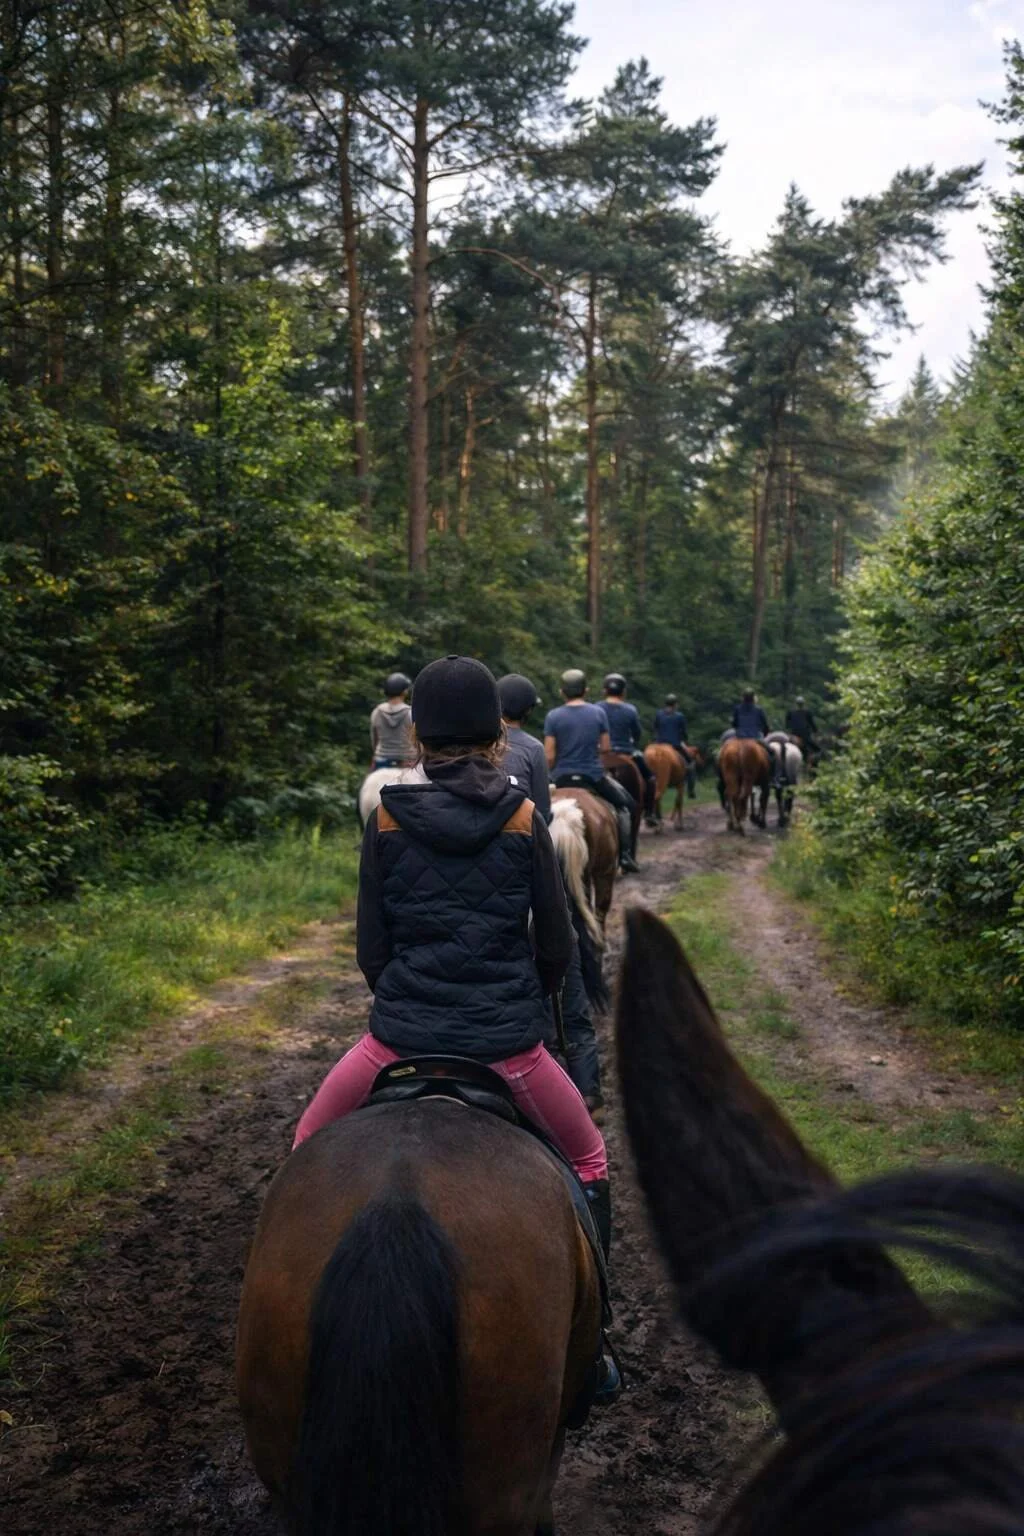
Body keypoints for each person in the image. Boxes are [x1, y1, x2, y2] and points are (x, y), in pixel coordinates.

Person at [296, 654, 618, 1400]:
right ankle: (593, 1348)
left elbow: (370, 948)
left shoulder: (382, 815)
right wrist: (527, 1008)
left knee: (309, 1146)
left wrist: (404, 1007)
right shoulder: (524, 815)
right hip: (507, 1050)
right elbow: (556, 946)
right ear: (495, 740)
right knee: (592, 1159)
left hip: (395, 1042)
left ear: (419, 740)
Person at [498, 672, 605, 1114]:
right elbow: (540, 815)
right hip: (526, 861)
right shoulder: (532, 748)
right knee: (625, 802)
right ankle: (585, 1080)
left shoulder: (478, 748)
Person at [544, 669, 640, 875]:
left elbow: (549, 756)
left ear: (562, 692)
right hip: (593, 777)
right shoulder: (598, 713)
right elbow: (605, 748)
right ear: (585, 690)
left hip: (560, 777)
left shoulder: (553, 716)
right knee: (626, 806)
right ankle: (625, 855)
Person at [602, 673, 658, 827]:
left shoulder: (596, 708)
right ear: (623, 692)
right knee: (650, 778)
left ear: (604, 691)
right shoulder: (631, 710)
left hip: (601, 754)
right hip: (627, 752)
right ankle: (650, 812)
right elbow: (637, 733)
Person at [369, 672, 415, 767]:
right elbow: (416, 740)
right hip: (407, 761)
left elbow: (374, 740)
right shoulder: (410, 713)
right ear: (404, 692)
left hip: (382, 760)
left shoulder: (377, 712)